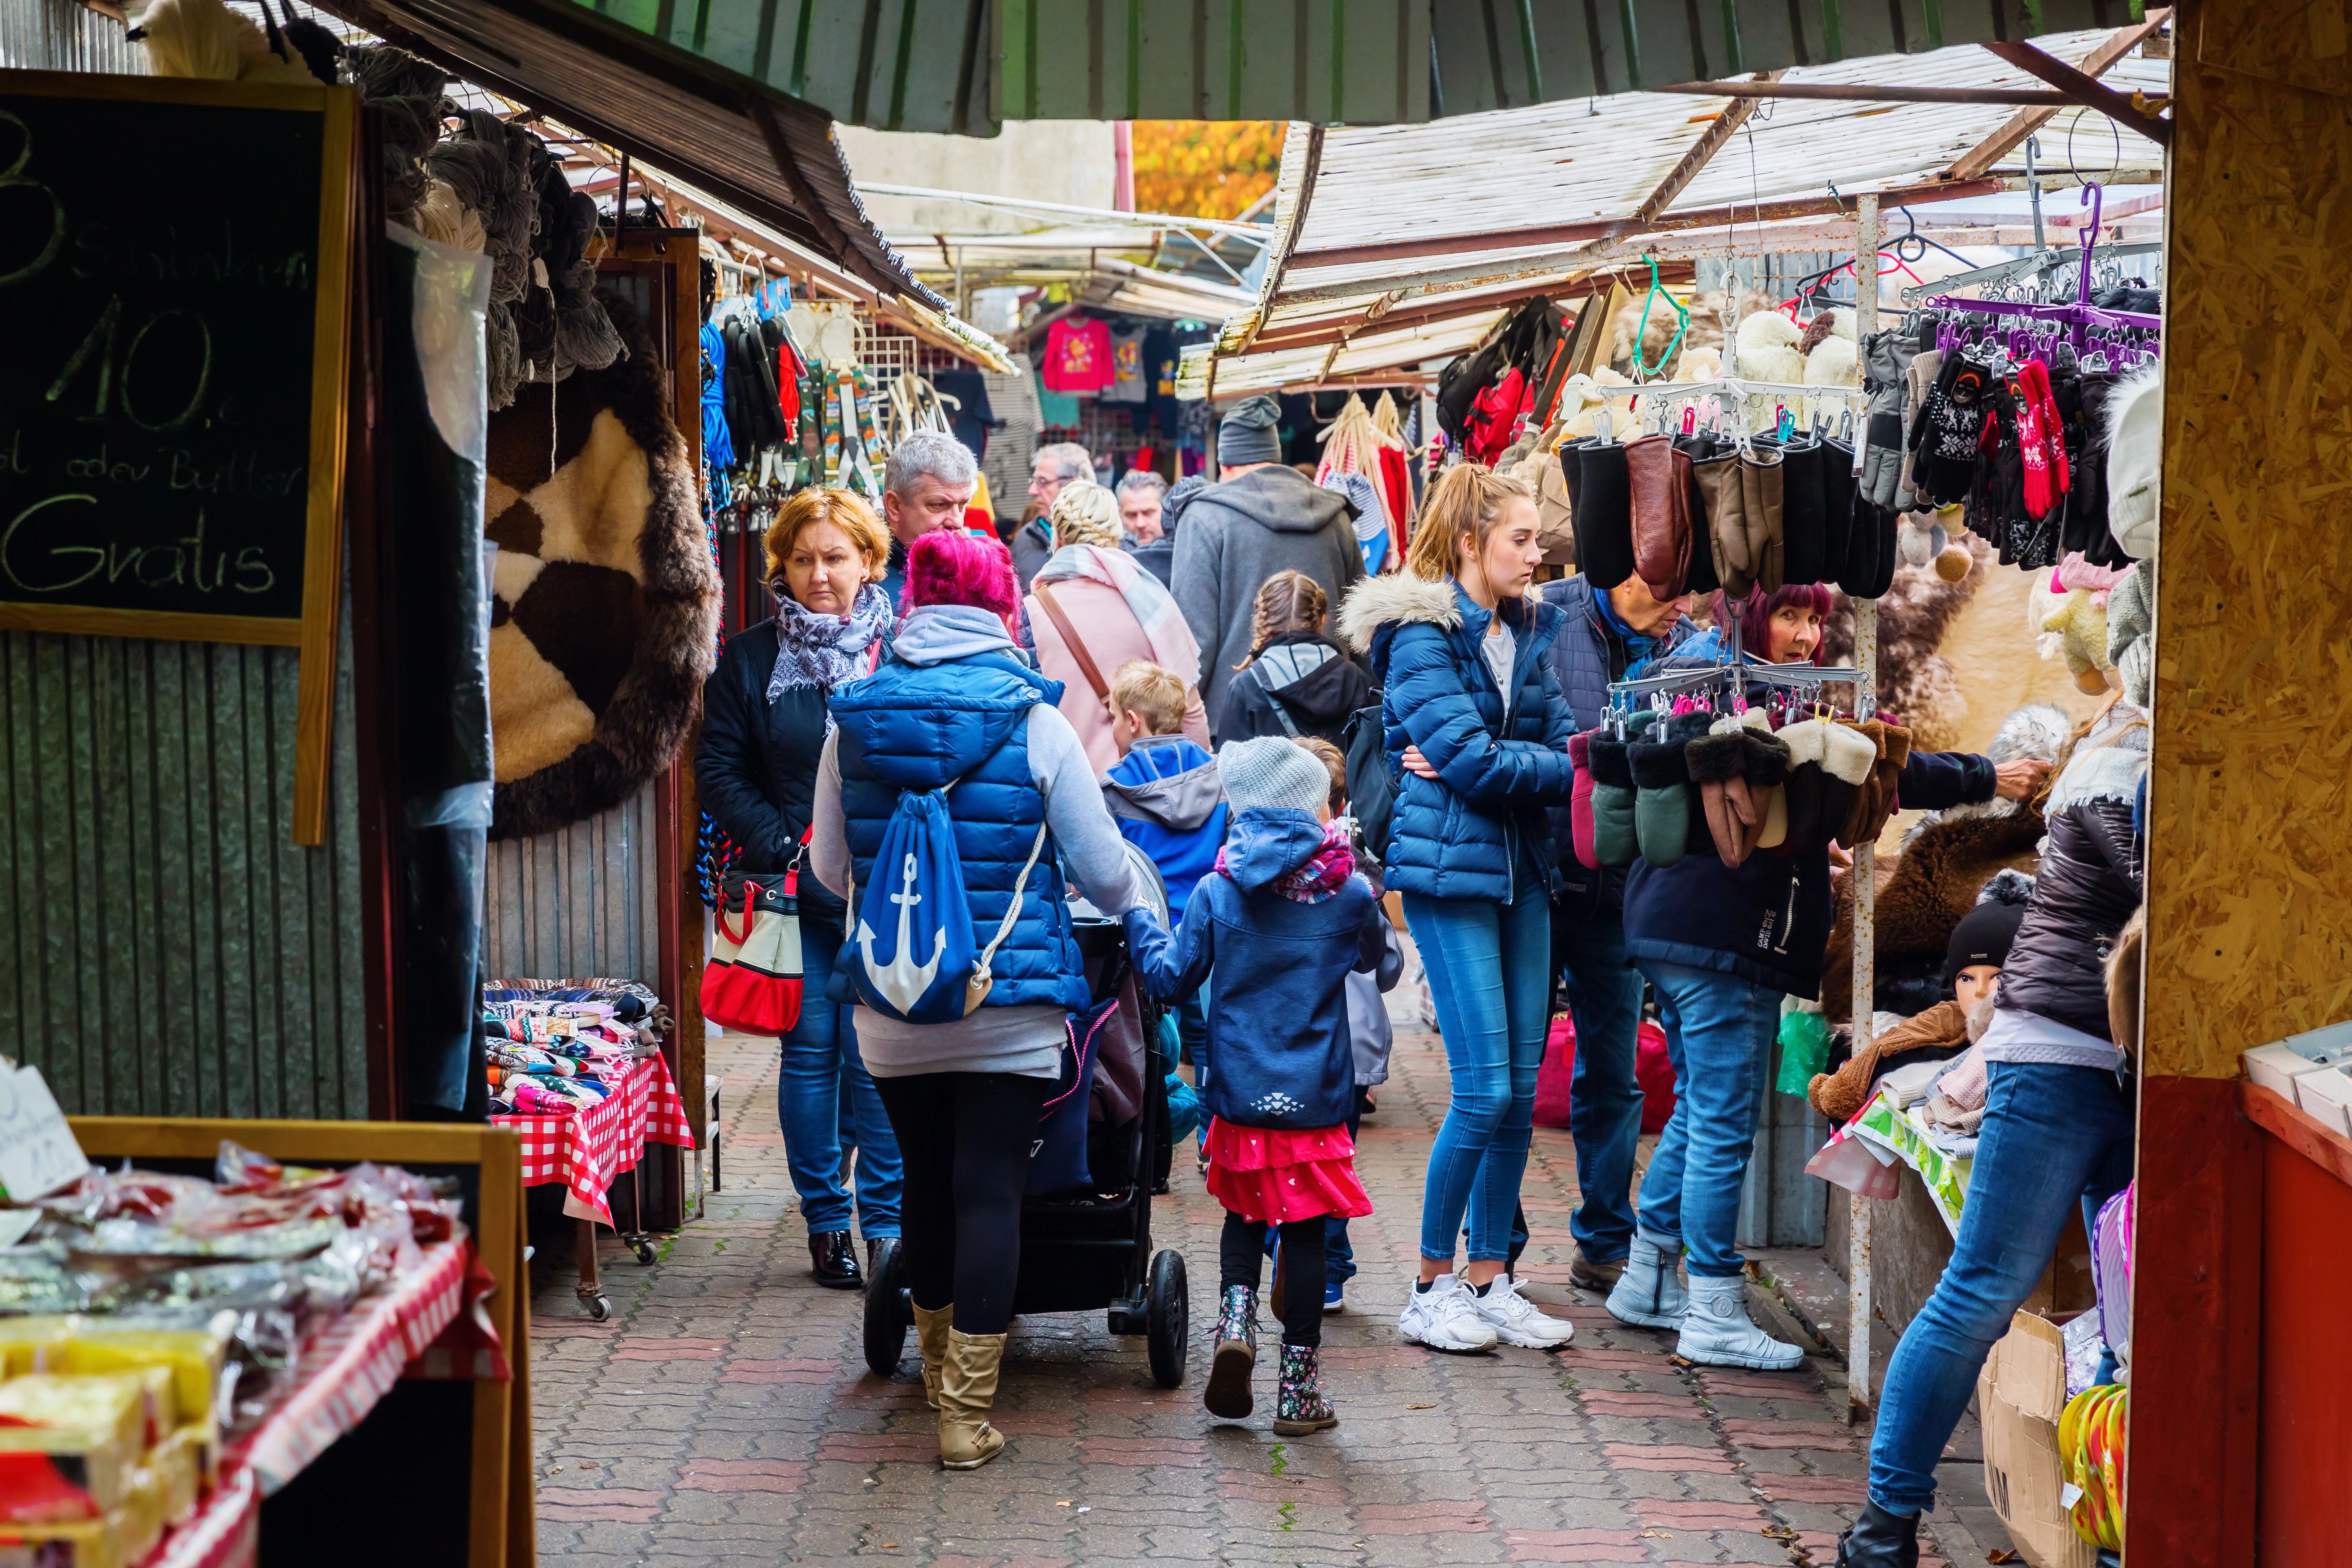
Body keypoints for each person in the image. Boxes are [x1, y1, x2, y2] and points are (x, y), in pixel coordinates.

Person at [1608, 583, 2052, 1371]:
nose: (1807, 634)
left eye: (1815, 618)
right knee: (1722, 1124)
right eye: (1789, 615)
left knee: (1703, 1110)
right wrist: (1988, 776)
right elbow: (1880, 768)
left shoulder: (1717, 680)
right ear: (1753, 616)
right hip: (1719, 938)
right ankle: (1711, 1308)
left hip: (1677, 930)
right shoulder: (1756, 694)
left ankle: (1647, 1281)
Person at [809, 528, 1147, 1471]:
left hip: (892, 1009)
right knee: (990, 1189)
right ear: (1002, 605)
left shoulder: (850, 721)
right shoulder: (1036, 723)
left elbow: (828, 869)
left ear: (912, 600)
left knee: (923, 1183)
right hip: (1010, 1000)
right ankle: (964, 1419)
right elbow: (1102, 872)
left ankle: (930, 1379)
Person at [1838, 700, 2145, 1568]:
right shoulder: (2129, 762)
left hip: (2127, 1060)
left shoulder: (2134, 753)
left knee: (2127, 1307)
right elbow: (2183, 888)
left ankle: (2110, 1521)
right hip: (2064, 1056)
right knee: (1983, 1289)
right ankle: (1884, 1528)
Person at [1334, 463, 1578, 1356]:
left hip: (1526, 874)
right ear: (1471, 543)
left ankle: (1490, 1279)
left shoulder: (1531, 629)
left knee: (1517, 1090)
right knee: (1484, 1092)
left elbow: (1563, 752)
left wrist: (1508, 765)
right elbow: (1480, 763)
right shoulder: (1420, 636)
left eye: (1537, 537)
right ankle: (1429, 1286)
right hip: (1448, 876)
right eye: (1521, 538)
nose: (1538, 552)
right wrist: (1514, 766)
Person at [1123, 737, 1387, 1435]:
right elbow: (1379, 965)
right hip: (1317, 1095)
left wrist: (1139, 919)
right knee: (1305, 1232)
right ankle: (1297, 1394)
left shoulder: (1218, 891)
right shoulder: (1347, 891)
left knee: (1243, 1217)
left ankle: (1235, 1325)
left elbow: (1170, 977)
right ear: (1313, 806)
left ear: (1242, 809)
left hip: (1240, 1090)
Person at [695, 488, 903, 1289]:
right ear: (780, 564)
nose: (819, 575)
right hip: (795, 898)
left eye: (836, 557)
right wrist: (784, 844)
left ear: (869, 561)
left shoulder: (902, 651)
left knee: (877, 1060)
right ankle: (826, 1223)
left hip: (886, 896)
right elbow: (719, 768)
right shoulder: (750, 660)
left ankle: (886, 1229)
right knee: (812, 1055)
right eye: (803, 559)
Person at [1537, 570, 1696, 1293]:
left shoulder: (1689, 646)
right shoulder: (1545, 617)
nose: (1684, 606)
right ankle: (1494, 1252)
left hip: (1624, 894)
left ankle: (1605, 1242)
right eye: (1673, 587)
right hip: (1538, 884)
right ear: (1631, 567)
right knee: (1507, 1079)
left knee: (1613, 1073)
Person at [1291, 733, 1401, 1314]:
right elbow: (1387, 967)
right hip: (1352, 1047)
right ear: (1339, 804)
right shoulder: (1358, 877)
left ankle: (1289, 1251)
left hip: (1284, 1043)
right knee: (1336, 1158)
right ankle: (1330, 1268)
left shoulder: (1250, 872)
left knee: (1290, 1156)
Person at [1174, 396, 1365, 729]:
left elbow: (1193, 641)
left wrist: (1180, 724)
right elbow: (1362, 627)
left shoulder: (1204, 517)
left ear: (1225, 465)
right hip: (1336, 725)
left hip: (1235, 724)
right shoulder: (1336, 516)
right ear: (1276, 456)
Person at [1025, 480, 1212, 771]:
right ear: (1116, 533)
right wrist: (1202, 777)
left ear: (1058, 538)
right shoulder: (1150, 601)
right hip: (1145, 782)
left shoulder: (1031, 611)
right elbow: (1189, 707)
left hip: (1063, 783)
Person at [1100, 660, 1227, 928]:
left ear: (1133, 721)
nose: (1113, 726)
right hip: (1213, 926)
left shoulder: (1113, 787)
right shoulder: (1222, 775)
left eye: (1114, 718)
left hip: (1146, 933)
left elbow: (1104, 874)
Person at [1216, 570, 1377, 749]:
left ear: (1262, 621)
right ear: (1322, 620)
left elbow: (1229, 761)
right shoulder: (1357, 679)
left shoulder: (1247, 686)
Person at [878, 430, 981, 608]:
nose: (957, 522)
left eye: (962, 505)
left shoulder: (983, 575)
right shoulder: (855, 579)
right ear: (894, 506)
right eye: (939, 505)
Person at [1015, 441, 1092, 589]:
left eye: (1043, 481)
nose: (1032, 490)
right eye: (1034, 481)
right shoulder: (1027, 536)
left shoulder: (1107, 537)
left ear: (1073, 486)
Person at [1117, 470, 1168, 548]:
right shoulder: (1108, 553)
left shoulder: (1183, 550)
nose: (1140, 524)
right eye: (1132, 515)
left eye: (1148, 513)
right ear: (1120, 515)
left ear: (1167, 511)